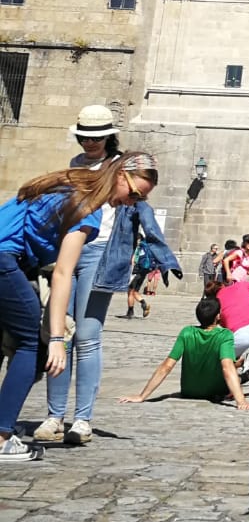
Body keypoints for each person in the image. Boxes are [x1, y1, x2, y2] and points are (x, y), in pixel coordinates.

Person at [1, 153, 154, 462]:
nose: (131, 203)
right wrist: (57, 338)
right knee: (34, 342)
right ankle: (2, 435)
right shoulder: (87, 207)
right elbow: (63, 273)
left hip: (8, 258)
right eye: (134, 194)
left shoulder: (69, 183)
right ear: (119, 175)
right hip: (5, 260)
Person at [32, 106, 123, 448]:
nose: (89, 142)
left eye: (96, 136)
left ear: (107, 136)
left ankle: (82, 418)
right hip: (68, 249)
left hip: (99, 251)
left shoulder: (118, 166)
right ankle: (55, 414)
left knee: (88, 335)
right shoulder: (73, 164)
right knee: (61, 331)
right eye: (84, 135)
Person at [118, 296, 249, 410]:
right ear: (218, 316)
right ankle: (248, 371)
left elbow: (166, 366)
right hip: (216, 391)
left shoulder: (187, 332)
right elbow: (226, 368)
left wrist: (142, 396)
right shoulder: (225, 335)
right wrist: (241, 401)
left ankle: (243, 367)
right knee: (237, 372)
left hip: (189, 391)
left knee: (234, 365)